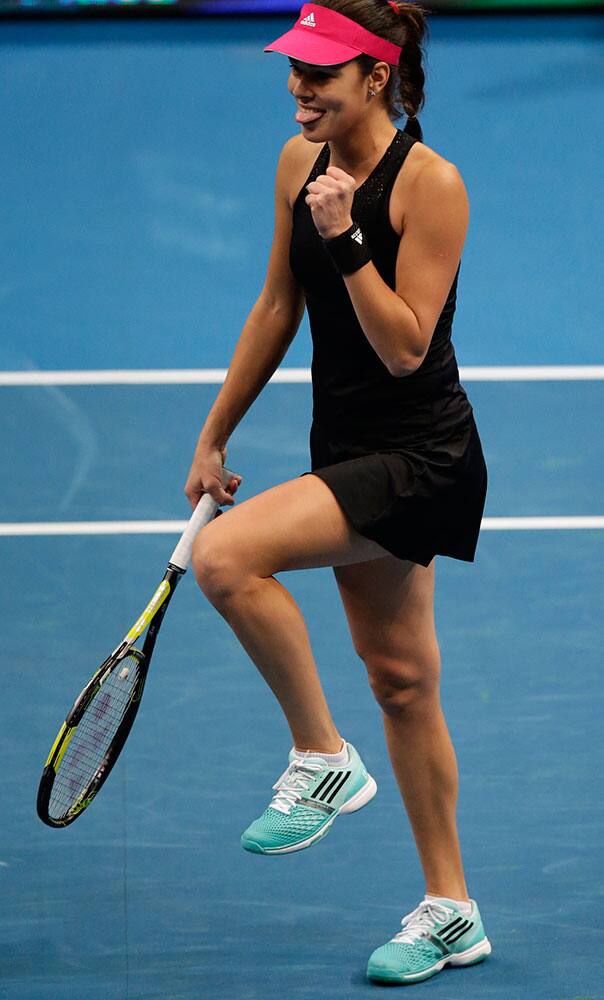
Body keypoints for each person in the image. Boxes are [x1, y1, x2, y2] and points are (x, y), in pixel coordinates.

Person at [184, 0, 491, 986]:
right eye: (293, 68)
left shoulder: (430, 185)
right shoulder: (295, 164)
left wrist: (348, 236)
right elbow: (278, 304)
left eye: (319, 72)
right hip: (347, 440)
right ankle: (452, 911)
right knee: (402, 683)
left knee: (226, 557)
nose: (297, 87)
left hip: (420, 455)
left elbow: (406, 347)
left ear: (376, 73)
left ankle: (321, 757)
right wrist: (215, 429)